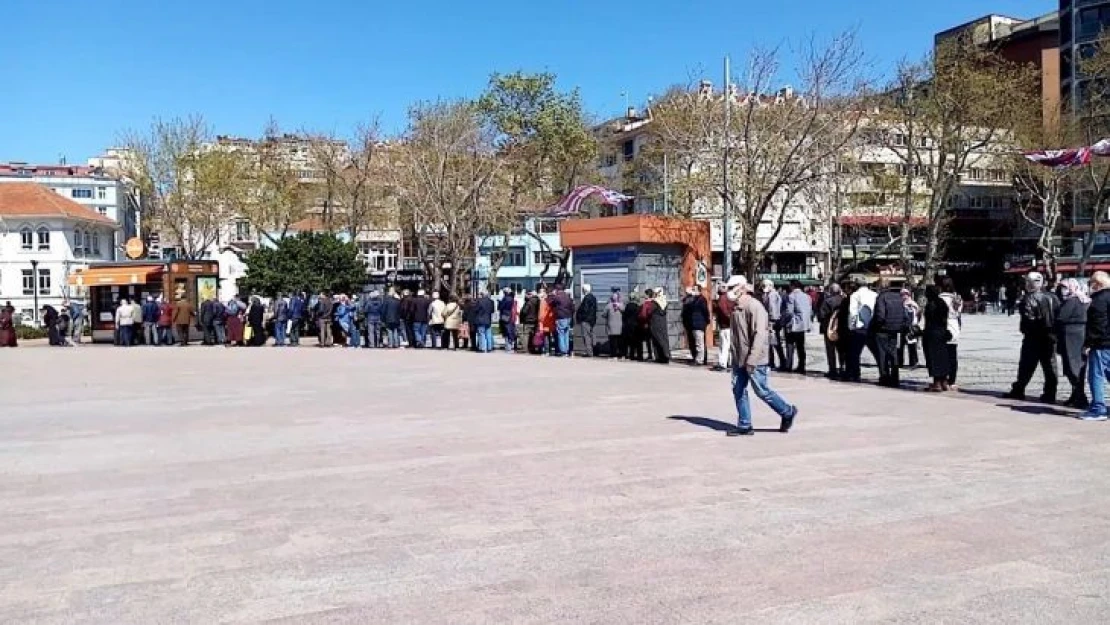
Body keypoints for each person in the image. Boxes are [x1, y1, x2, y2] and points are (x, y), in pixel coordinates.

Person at [726, 276, 798, 436]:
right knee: (738, 389)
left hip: (755, 359)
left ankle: (787, 411)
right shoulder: (736, 308)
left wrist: (752, 359)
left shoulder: (754, 307)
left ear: (742, 288)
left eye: (732, 287)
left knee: (762, 390)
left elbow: (759, 335)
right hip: (740, 358)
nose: (729, 292)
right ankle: (745, 424)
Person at [1004, 272, 1059, 403]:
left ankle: (1019, 389)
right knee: (1050, 366)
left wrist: (1026, 330)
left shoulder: (1028, 299)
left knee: (1026, 366)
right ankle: (1050, 393)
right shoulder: (1053, 297)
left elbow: (1029, 320)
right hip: (1050, 337)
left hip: (1034, 337)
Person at [1056, 278, 1090, 409]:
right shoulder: (1084, 300)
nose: (1062, 290)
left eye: (1065, 287)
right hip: (1079, 334)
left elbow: (1061, 317)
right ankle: (1076, 394)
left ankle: (1080, 396)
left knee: (1072, 366)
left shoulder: (1072, 300)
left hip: (1071, 336)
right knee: (1077, 366)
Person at [1082, 271, 1110, 420]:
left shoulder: (1098, 300)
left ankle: (1098, 408)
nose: (1089, 286)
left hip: (1101, 344)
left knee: (1096, 376)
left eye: (1090, 283)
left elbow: (1098, 325)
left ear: (1097, 284)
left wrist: (1089, 343)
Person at [871, 279, 909, 388]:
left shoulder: (881, 298)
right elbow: (904, 313)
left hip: (883, 329)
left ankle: (884, 376)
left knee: (882, 354)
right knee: (893, 353)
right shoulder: (898, 297)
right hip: (895, 329)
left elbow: (880, 315)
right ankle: (895, 376)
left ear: (880, 287)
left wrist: (877, 325)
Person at [845, 279, 877, 383]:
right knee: (876, 352)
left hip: (859, 327)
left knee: (855, 353)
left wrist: (851, 326)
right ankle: (884, 372)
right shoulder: (875, 294)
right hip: (872, 326)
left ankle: (855, 374)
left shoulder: (855, 295)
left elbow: (853, 312)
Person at [923, 285, 953, 392]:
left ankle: (937, 383)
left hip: (932, 333)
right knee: (942, 357)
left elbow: (930, 321)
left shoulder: (931, 304)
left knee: (933, 358)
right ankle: (944, 381)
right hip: (942, 332)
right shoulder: (942, 303)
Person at [783, 280, 812, 374]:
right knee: (800, 346)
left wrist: (784, 320)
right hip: (803, 324)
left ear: (793, 286)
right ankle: (801, 366)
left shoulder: (791, 296)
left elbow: (789, 312)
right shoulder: (806, 296)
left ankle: (788, 365)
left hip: (793, 324)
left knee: (790, 345)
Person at [938, 277, 963, 389]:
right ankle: (952, 380)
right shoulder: (957, 298)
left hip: (943, 327)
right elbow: (959, 314)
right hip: (954, 328)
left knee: (942, 356)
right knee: (953, 356)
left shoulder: (940, 298)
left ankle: (943, 379)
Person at [817, 283, 844, 379]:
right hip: (842, 329)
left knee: (831, 350)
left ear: (831, 291)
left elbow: (821, 315)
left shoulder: (827, 301)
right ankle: (842, 368)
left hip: (830, 329)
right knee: (842, 350)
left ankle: (832, 369)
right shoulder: (844, 300)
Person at [761, 280, 787, 369]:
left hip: (772, 321)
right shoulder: (772, 294)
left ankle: (775, 362)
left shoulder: (772, 295)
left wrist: (771, 320)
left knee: (773, 342)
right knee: (774, 342)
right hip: (774, 320)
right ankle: (778, 361)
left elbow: (772, 308)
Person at [681, 286, 710, 366]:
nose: (693, 291)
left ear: (699, 291)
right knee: (696, 342)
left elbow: (705, 312)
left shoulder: (701, 300)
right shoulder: (693, 299)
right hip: (693, 323)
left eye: (694, 290)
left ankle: (700, 360)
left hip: (699, 323)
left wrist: (706, 321)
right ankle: (698, 358)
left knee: (699, 343)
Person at [713, 281, 738, 372]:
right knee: (728, 345)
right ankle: (729, 362)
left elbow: (724, 311)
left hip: (726, 325)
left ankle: (722, 363)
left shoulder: (723, 299)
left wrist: (729, 319)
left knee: (724, 345)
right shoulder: (728, 298)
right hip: (728, 325)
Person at [899, 289, 921, 369]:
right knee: (899, 346)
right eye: (902, 294)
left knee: (911, 345)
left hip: (910, 328)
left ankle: (913, 362)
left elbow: (918, 315)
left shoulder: (912, 304)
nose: (904, 296)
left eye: (905, 294)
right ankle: (899, 362)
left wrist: (915, 325)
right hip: (900, 328)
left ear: (909, 295)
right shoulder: (900, 304)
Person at [550, 283, 574, 357]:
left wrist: (552, 295)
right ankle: (567, 350)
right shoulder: (567, 297)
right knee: (566, 334)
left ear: (557, 290)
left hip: (561, 317)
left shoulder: (557, 297)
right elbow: (572, 307)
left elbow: (551, 303)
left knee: (560, 334)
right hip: (568, 317)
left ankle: (563, 351)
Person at [649, 288, 671, 364]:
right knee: (663, 339)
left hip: (655, 322)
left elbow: (649, 311)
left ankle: (659, 356)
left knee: (656, 339)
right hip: (663, 323)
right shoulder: (664, 301)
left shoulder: (654, 303)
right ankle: (666, 355)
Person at [575, 284, 598, 357]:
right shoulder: (593, 298)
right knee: (592, 335)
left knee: (587, 336)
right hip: (592, 320)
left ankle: (589, 352)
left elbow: (585, 309)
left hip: (586, 320)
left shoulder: (586, 298)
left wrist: (580, 317)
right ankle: (595, 350)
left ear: (584, 290)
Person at [602, 290, 625, 358]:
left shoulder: (608, 306)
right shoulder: (622, 305)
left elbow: (603, 314)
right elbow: (625, 312)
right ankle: (621, 354)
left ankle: (613, 355)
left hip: (611, 326)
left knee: (612, 342)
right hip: (620, 326)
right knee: (620, 341)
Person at [624, 293, 643, 361]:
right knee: (638, 342)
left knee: (630, 341)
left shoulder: (627, 306)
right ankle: (640, 356)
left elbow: (624, 316)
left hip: (628, 325)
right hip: (637, 325)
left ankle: (631, 355)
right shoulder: (638, 307)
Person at [520, 290, 540, 354]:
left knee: (526, 335)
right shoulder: (538, 301)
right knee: (533, 335)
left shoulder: (529, 302)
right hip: (535, 320)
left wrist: (523, 317)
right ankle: (533, 348)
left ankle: (525, 349)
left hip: (528, 320)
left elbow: (524, 311)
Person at [499, 288, 518, 353]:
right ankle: (510, 346)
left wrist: (499, 302)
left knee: (506, 330)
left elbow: (501, 307)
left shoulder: (506, 298)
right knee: (510, 330)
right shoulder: (512, 299)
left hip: (505, 314)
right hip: (510, 315)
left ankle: (508, 347)